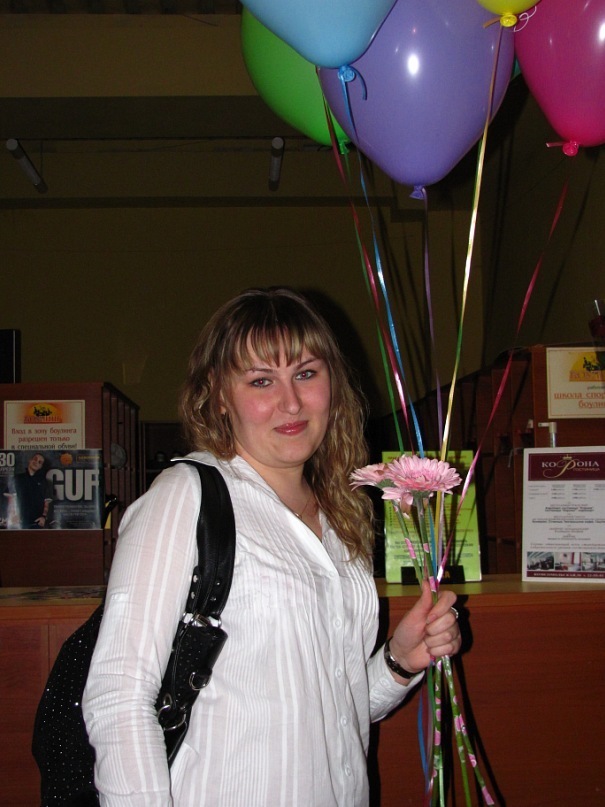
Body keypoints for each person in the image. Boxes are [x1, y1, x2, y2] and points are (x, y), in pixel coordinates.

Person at [83, 287, 461, 806]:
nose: (291, 402)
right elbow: (118, 695)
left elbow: (331, 710)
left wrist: (398, 661)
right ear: (219, 396)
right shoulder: (187, 497)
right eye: (261, 380)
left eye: (306, 373)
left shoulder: (340, 513)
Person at [11, 452, 53, 528]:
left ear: (41, 466)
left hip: (36, 524)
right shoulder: (17, 479)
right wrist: (13, 515)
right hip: (19, 523)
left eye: (40, 462)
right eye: (35, 459)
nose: (36, 462)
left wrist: (43, 517)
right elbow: (11, 498)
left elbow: (47, 502)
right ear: (30, 460)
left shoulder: (44, 482)